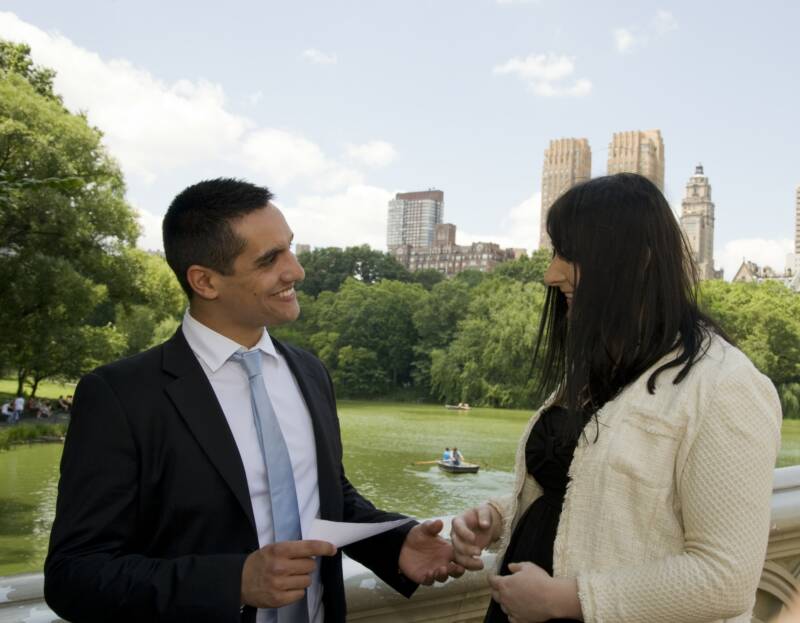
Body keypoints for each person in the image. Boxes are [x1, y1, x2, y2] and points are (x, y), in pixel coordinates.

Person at [45, 178, 463, 623]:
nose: (296, 271)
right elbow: (74, 575)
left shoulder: (310, 372)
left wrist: (395, 543)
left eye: (290, 248)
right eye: (269, 259)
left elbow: (326, 498)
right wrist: (234, 582)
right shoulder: (120, 396)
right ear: (205, 281)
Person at [450, 173, 782, 623]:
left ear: (639, 260)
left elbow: (725, 577)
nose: (551, 274)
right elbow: (592, 494)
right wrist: (498, 517)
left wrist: (564, 599)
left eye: (569, 254)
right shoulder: (604, 364)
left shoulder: (726, 386)